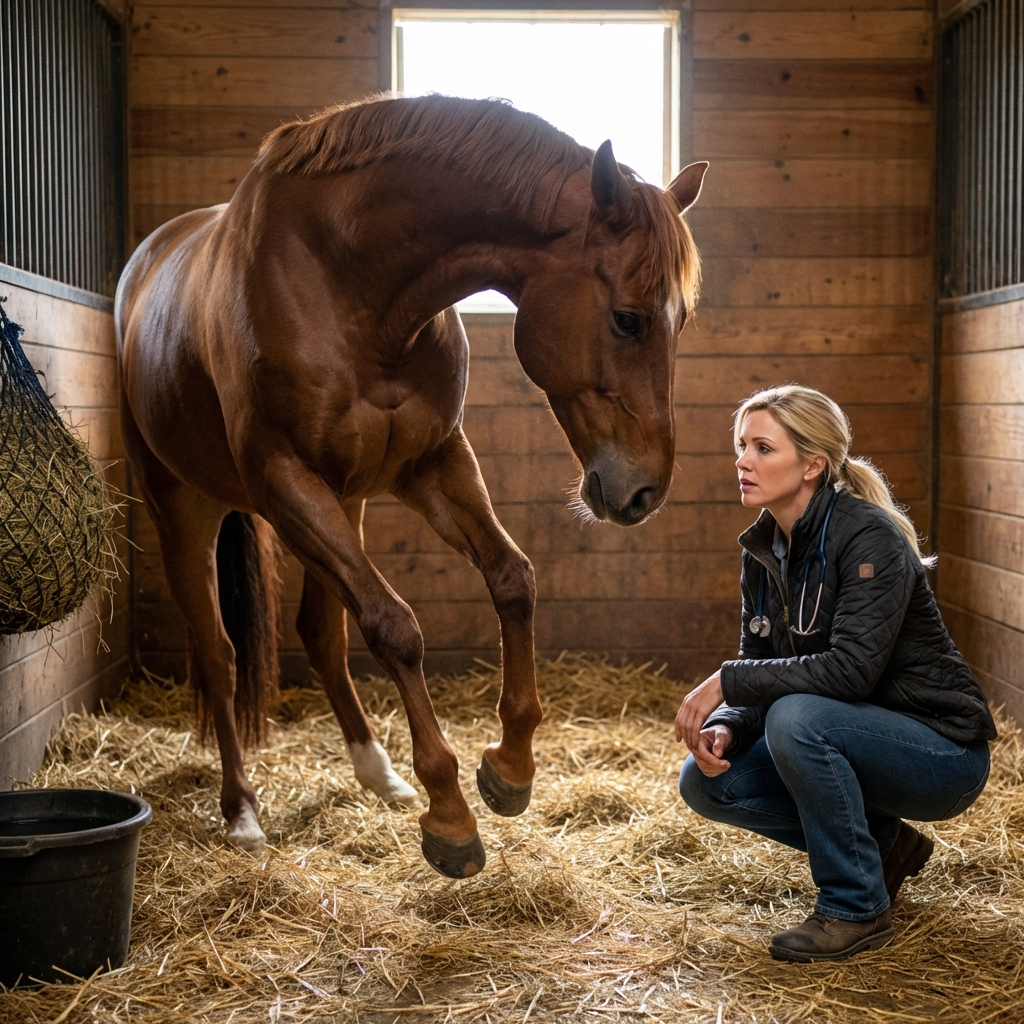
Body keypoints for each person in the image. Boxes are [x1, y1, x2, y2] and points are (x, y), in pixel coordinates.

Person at [675, 385, 996, 962]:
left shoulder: (868, 535)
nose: (743, 462)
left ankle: (855, 909)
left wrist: (725, 683)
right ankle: (885, 848)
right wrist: (730, 724)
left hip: (941, 752)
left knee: (798, 719)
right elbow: (763, 665)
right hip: (855, 739)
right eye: (741, 446)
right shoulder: (765, 548)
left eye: (763, 448)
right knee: (706, 782)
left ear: (812, 464)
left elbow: (849, 673)